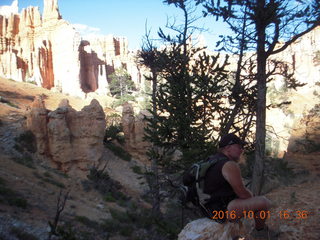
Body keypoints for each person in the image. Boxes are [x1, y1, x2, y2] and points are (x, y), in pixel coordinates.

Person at [204, 133, 278, 239]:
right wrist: (252, 198)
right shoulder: (229, 164)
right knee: (263, 202)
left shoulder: (211, 160)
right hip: (221, 212)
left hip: (207, 209)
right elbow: (242, 193)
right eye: (239, 147)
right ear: (228, 148)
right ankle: (260, 232)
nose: (242, 150)